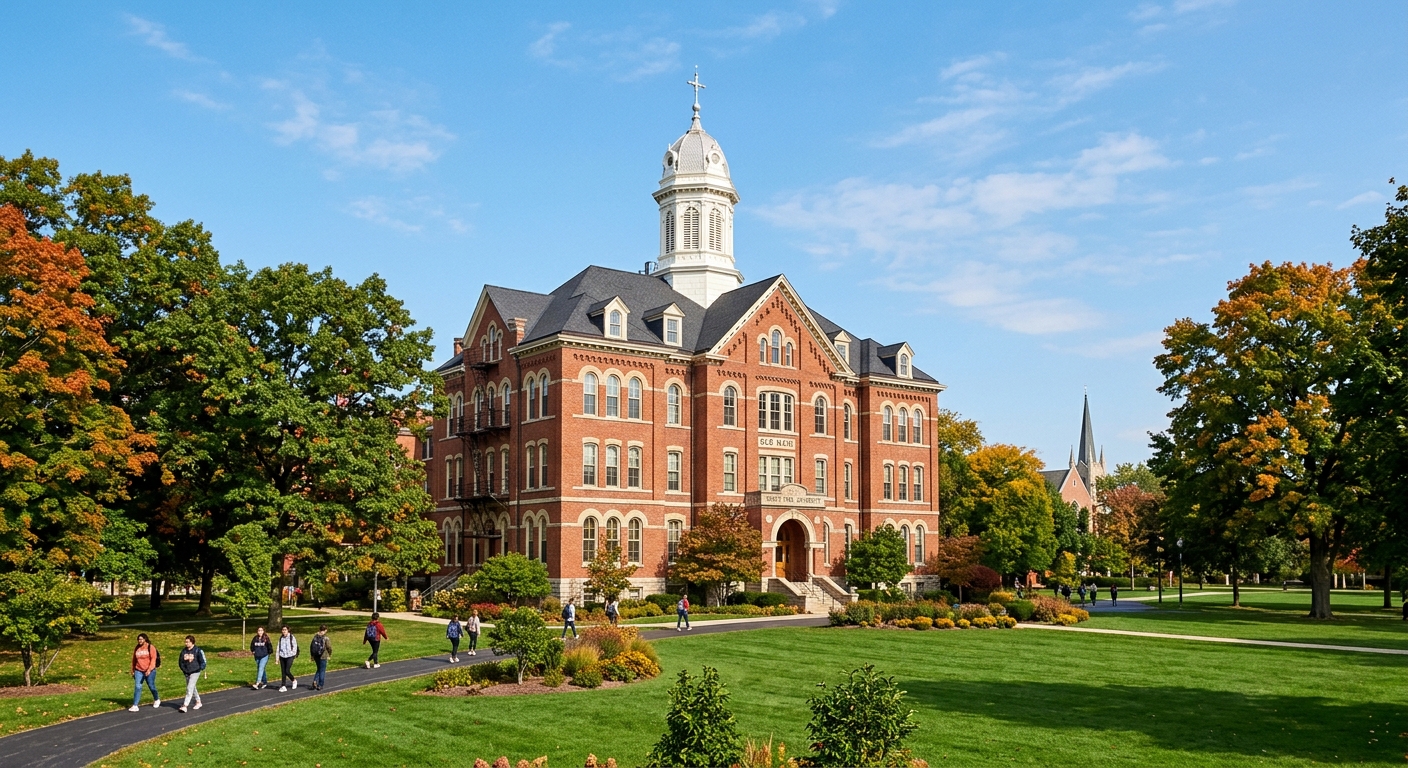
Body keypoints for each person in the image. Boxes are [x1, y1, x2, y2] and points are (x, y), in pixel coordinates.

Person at [129, 633, 160, 712]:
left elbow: (153, 659)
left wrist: (149, 669)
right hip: (138, 670)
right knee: (138, 686)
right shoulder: (137, 648)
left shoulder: (150, 647)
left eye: (141, 639)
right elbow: (134, 660)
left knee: (151, 686)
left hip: (150, 670)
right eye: (139, 639)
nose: (140, 641)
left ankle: (156, 699)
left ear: (145, 639)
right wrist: (132, 670)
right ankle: (135, 705)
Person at [177, 635, 207, 712]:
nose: (186, 643)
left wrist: (200, 668)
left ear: (192, 642)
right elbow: (181, 662)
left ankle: (185, 705)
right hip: (187, 672)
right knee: (192, 687)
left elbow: (202, 661)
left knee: (189, 688)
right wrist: (184, 670)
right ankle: (198, 701)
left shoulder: (197, 650)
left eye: (187, 642)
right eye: (185, 642)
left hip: (195, 672)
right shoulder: (184, 651)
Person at [276, 625, 299, 691]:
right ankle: (283, 685)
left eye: (285, 630)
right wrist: (277, 658)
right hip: (282, 656)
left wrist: (293, 654)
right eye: (283, 630)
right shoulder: (281, 638)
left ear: (288, 630)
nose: (284, 631)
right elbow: (278, 648)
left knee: (287, 671)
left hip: (290, 656)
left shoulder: (292, 637)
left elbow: (295, 646)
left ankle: (293, 680)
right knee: (283, 672)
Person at [309, 625, 332, 690]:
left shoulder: (315, 637)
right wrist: (329, 654)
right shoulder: (326, 638)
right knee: (322, 670)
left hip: (316, 656)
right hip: (323, 656)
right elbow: (329, 647)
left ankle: (315, 681)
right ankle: (320, 685)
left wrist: (312, 656)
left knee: (319, 669)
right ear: (325, 630)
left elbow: (311, 647)